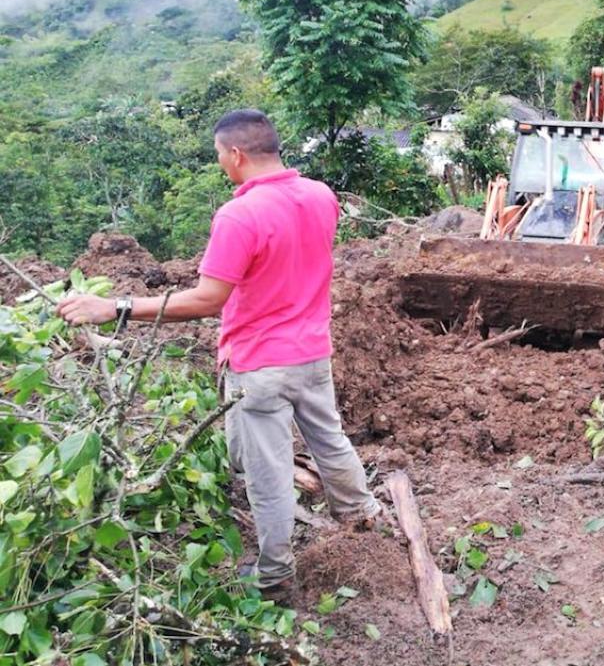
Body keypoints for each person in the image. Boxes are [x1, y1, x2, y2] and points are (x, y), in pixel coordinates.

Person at [56, 109, 382, 600]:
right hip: (312, 352)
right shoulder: (320, 196)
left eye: (218, 157)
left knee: (267, 476)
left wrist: (115, 307)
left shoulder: (239, 215)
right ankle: (361, 518)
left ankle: (273, 578)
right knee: (330, 440)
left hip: (258, 363)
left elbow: (208, 300)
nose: (220, 166)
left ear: (236, 154)